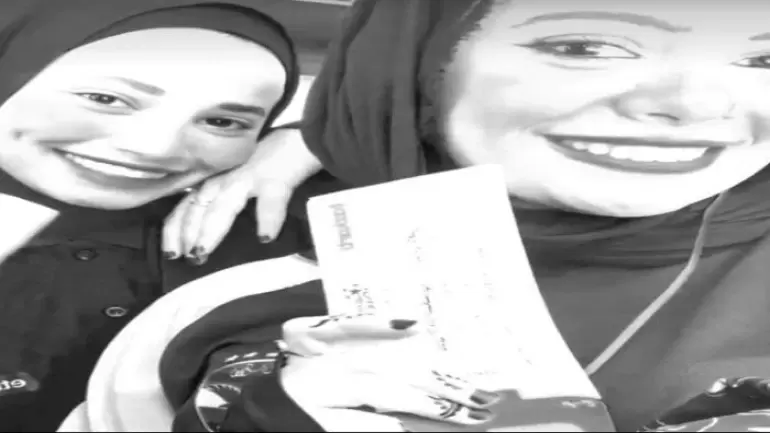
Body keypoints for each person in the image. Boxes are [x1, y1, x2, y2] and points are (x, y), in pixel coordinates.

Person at [82, 0, 770, 431]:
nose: (698, 104)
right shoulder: (227, 301)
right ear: (412, 63)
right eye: (586, 46)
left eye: (763, 55)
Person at [0, 0, 318, 430]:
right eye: (105, 99)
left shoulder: (256, 222)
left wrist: (309, 144)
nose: (155, 147)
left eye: (223, 122)